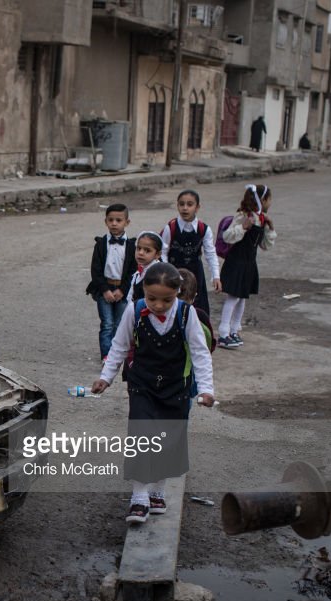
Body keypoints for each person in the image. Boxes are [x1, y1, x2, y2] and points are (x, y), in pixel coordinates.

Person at [91, 262, 215, 524]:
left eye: (166, 300)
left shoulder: (186, 314)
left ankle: (158, 491)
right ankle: (139, 497)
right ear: (143, 292)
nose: (158, 305)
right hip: (143, 385)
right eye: (152, 298)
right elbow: (120, 345)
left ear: (178, 293)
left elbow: (200, 352)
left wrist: (206, 389)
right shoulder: (134, 311)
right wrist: (106, 377)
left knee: (168, 439)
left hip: (176, 388)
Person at [217, 184, 276, 349]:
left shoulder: (262, 219)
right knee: (233, 297)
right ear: (262, 200)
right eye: (269, 199)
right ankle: (223, 333)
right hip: (236, 262)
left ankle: (234, 330)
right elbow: (227, 236)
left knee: (242, 297)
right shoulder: (243, 216)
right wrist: (243, 227)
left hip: (249, 263)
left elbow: (265, 245)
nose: (270, 203)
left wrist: (270, 228)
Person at [86, 203, 138, 361]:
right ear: (105, 221)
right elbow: (95, 270)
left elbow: (133, 271)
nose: (114, 223)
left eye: (118, 220)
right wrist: (105, 290)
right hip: (104, 289)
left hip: (123, 291)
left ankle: (118, 353)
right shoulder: (101, 244)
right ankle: (106, 355)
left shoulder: (131, 246)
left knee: (120, 324)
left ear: (127, 223)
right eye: (111, 220)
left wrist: (122, 290)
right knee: (107, 323)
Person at [160, 189, 221, 316]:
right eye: (181, 204)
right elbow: (163, 252)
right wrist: (167, 271)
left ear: (197, 207)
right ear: (177, 206)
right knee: (173, 308)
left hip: (196, 274)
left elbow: (210, 253)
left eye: (189, 204)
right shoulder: (170, 227)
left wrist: (216, 276)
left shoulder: (204, 229)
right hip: (174, 272)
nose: (185, 208)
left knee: (198, 309)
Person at [178, 267, 216, 408]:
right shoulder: (201, 315)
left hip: (188, 374)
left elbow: (205, 348)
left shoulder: (198, 317)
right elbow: (209, 345)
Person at [126, 231, 163, 304]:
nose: (141, 253)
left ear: (158, 254)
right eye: (138, 248)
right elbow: (130, 297)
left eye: (147, 250)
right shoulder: (138, 272)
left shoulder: (158, 274)